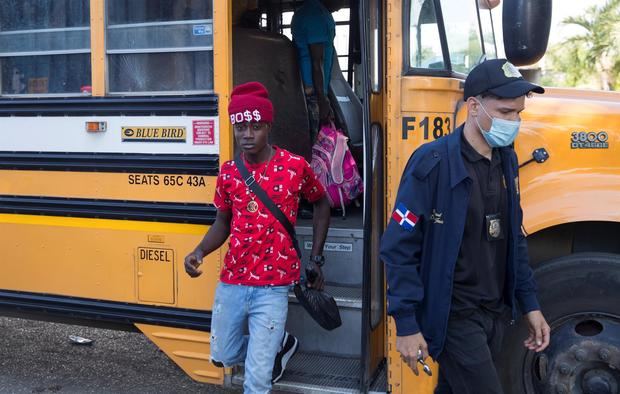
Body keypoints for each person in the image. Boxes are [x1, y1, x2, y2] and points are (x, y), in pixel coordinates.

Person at [380, 59, 551, 393]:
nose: (513, 122)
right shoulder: (432, 164)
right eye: (505, 113)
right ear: (474, 107)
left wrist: (529, 304)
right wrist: (406, 324)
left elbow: (513, 237)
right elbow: (399, 248)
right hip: (454, 316)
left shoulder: (507, 160)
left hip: (494, 313)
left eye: (518, 114)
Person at [184, 81, 331, 394]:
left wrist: (317, 257)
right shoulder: (228, 173)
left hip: (273, 287)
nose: (247, 135)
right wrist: (199, 251)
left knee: (257, 379)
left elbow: (321, 202)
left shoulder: (294, 167)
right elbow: (222, 222)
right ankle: (278, 346)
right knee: (222, 355)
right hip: (232, 282)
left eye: (255, 127)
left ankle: (266, 354)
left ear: (269, 126)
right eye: (240, 127)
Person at [291, 0, 344, 144]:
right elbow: (317, 61)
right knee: (316, 148)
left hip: (313, 90)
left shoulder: (310, 11)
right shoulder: (315, 15)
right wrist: (322, 100)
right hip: (313, 94)